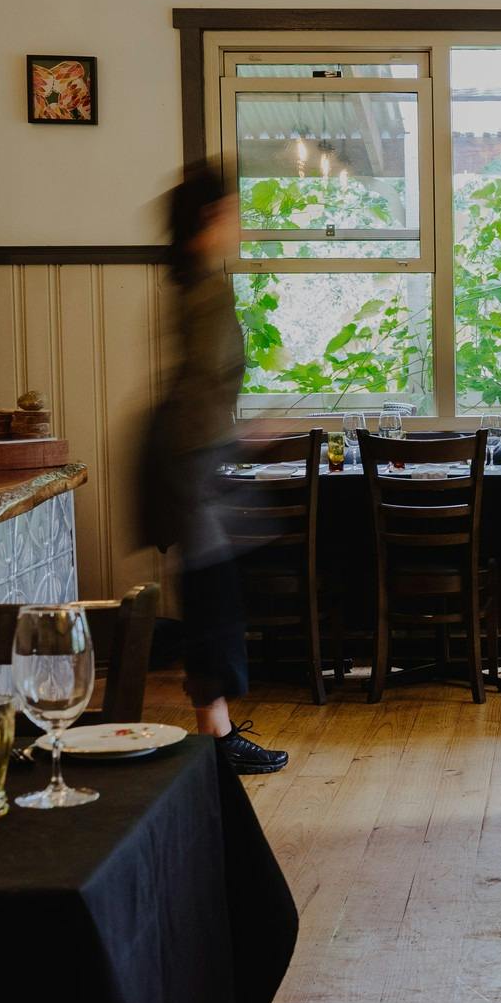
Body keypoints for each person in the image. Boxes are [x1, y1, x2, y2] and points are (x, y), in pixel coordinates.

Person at [156, 164, 289, 775]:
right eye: (233, 212)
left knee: (214, 592)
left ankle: (216, 730)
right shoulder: (207, 290)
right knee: (213, 597)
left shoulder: (199, 282)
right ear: (210, 221)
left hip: (193, 458)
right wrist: (240, 434)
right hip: (192, 462)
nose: (239, 223)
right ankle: (214, 739)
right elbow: (202, 385)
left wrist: (233, 433)